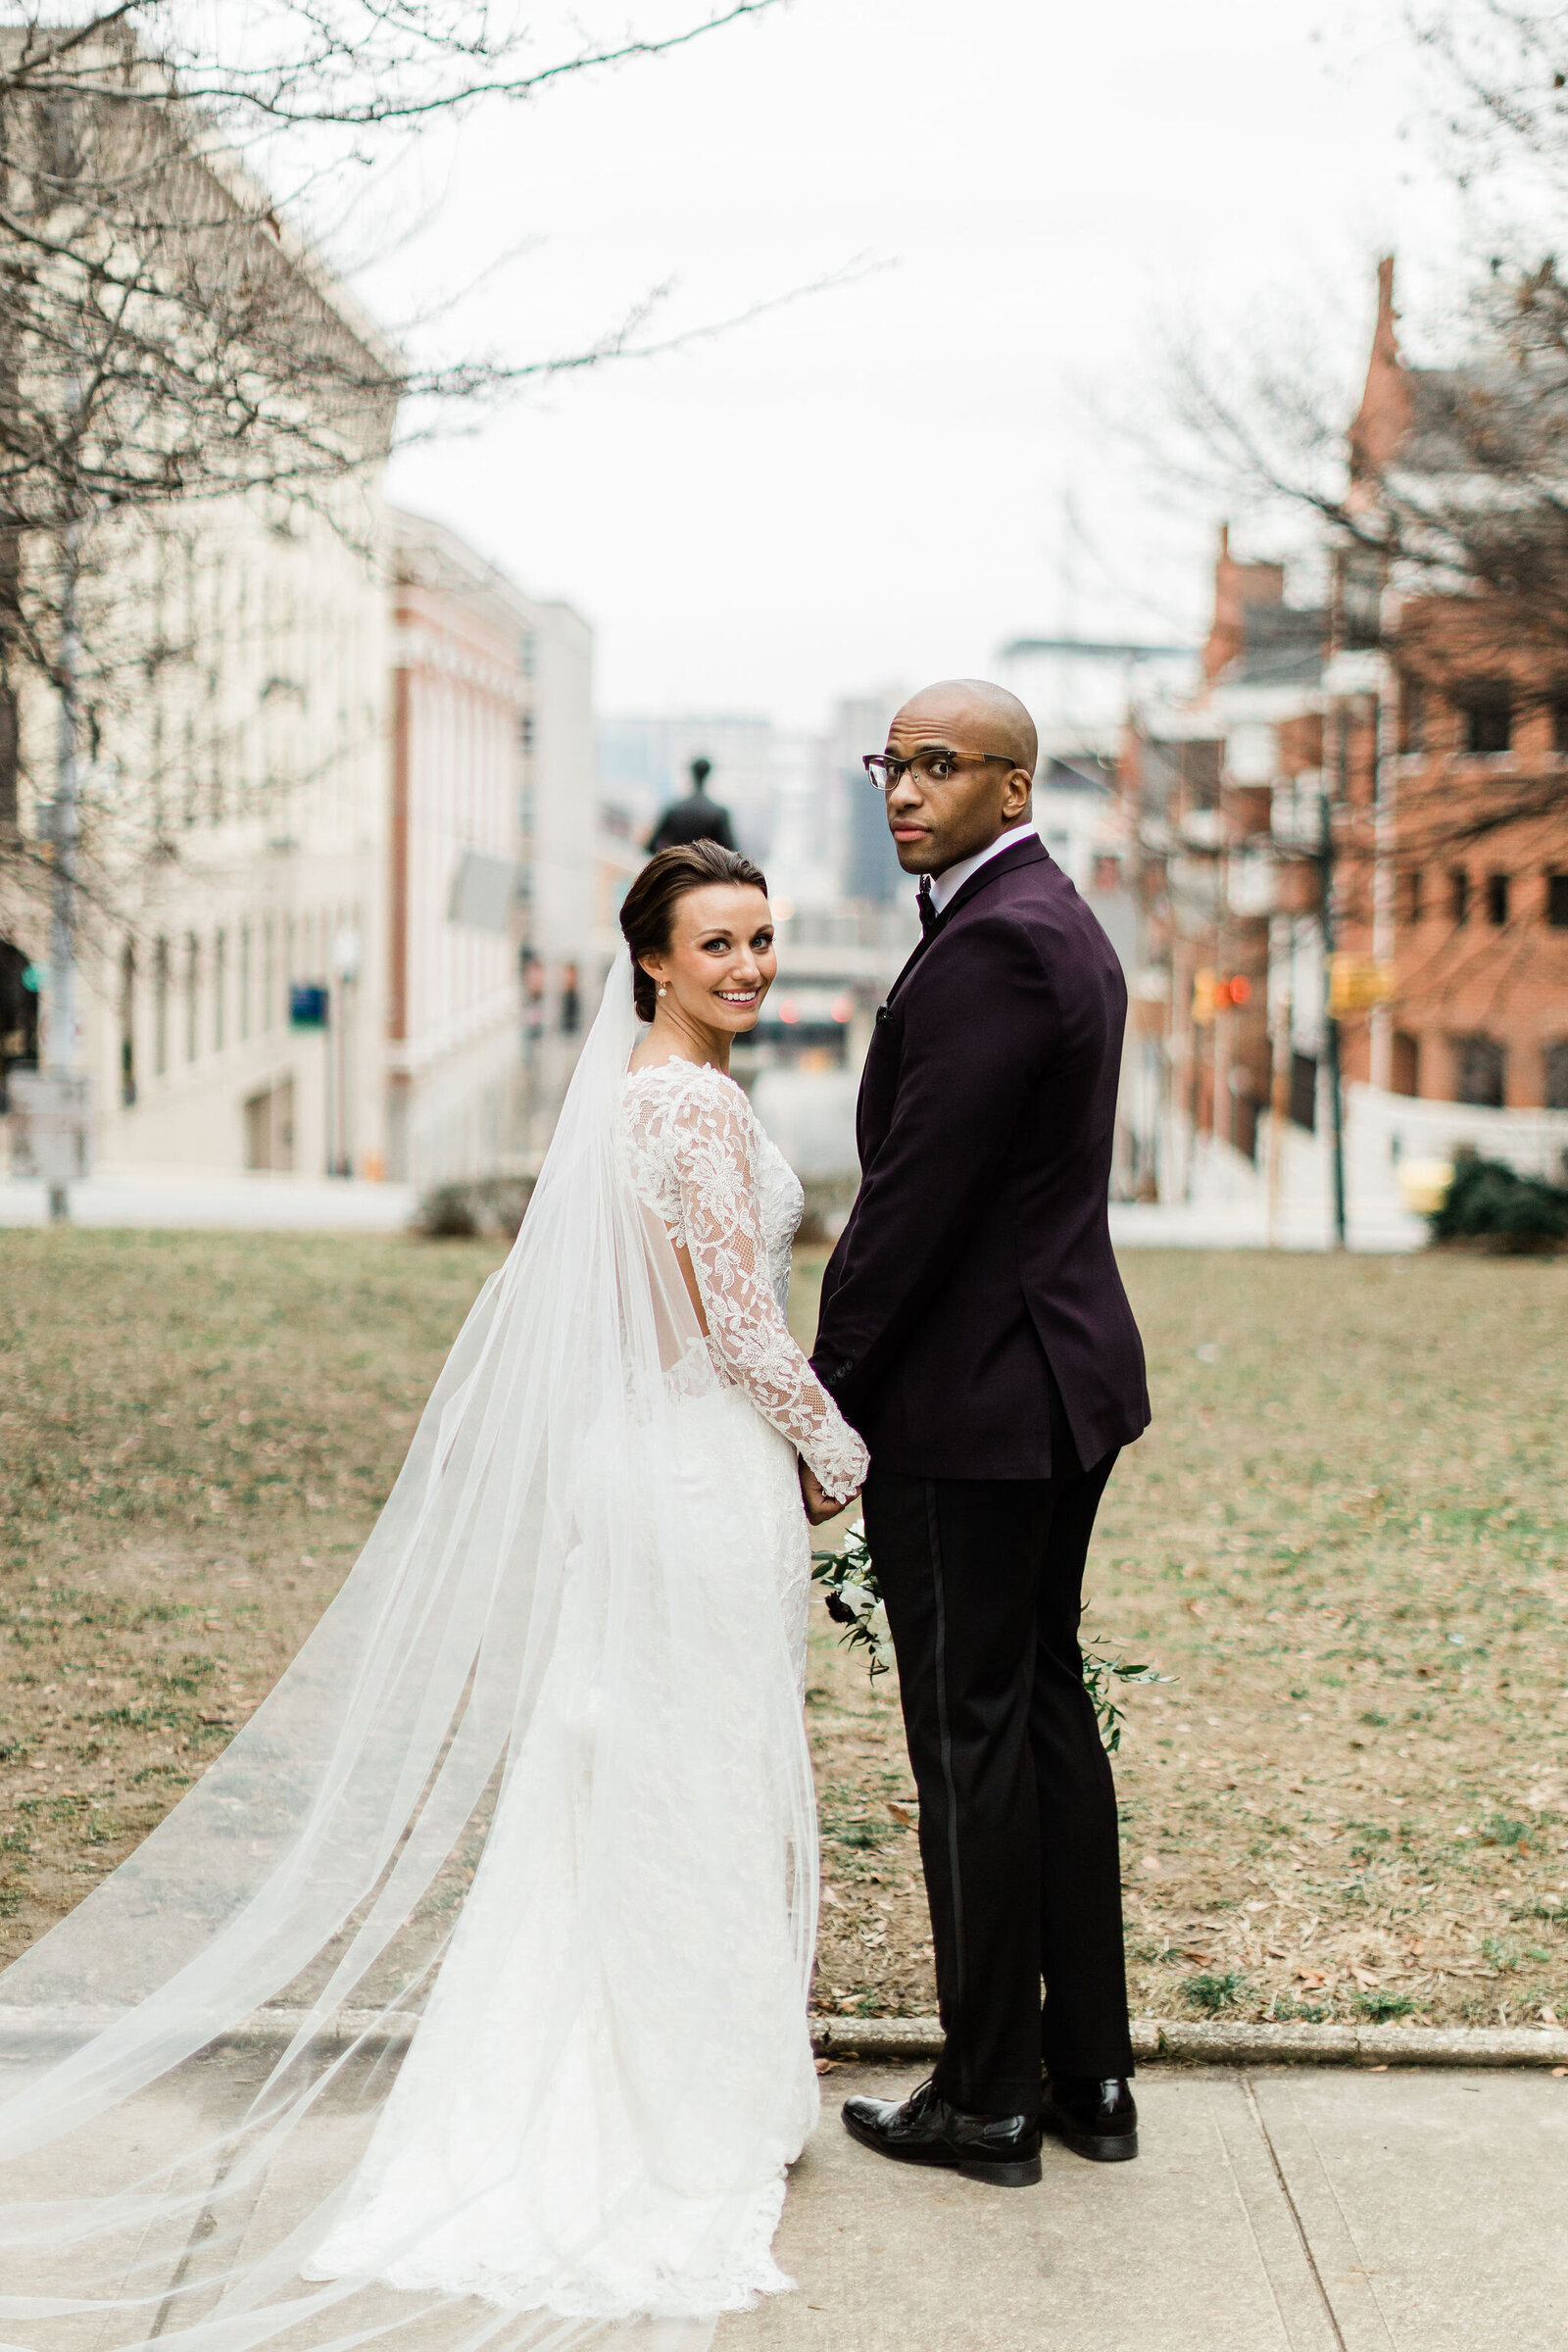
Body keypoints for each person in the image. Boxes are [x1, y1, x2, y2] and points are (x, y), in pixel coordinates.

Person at [0, 842, 866, 2348]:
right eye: (717, 944)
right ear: (652, 962)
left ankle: (647, 2064)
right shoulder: (696, 1104)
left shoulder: (615, 1101)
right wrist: (839, 1447)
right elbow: (738, 1323)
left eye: (764, 940)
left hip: (633, 1462)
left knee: (625, 1768)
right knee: (701, 1772)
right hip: (701, 1476)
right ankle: (689, 2098)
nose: (749, 967)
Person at [806, 679, 1151, 2188]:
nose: (905, 788)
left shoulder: (997, 944)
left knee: (974, 1737)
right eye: (893, 763)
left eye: (940, 766)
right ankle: (1089, 2079)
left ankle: (989, 2095)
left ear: (1016, 787)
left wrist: (822, 1401)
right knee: (1042, 1715)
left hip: (979, 1407)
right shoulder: (1045, 918)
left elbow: (910, 1212)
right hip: (1056, 1384)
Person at [646, 756, 738, 854]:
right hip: (706, 868)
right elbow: (731, 850)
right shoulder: (719, 813)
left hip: (677, 866)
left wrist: (670, 857)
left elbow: (651, 846)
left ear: (692, 773)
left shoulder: (674, 809)